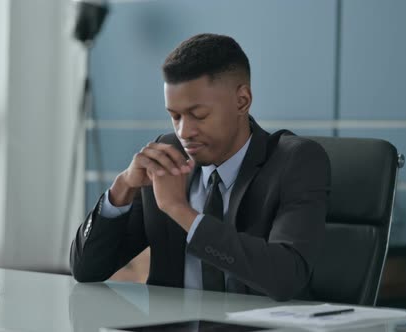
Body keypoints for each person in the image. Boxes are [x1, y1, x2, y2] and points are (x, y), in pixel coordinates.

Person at [71, 33, 330, 301]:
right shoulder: (168, 157)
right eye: (175, 116)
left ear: (242, 101)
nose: (184, 131)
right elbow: (86, 269)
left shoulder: (296, 161)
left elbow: (287, 277)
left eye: (199, 115)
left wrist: (180, 211)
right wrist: (122, 188)